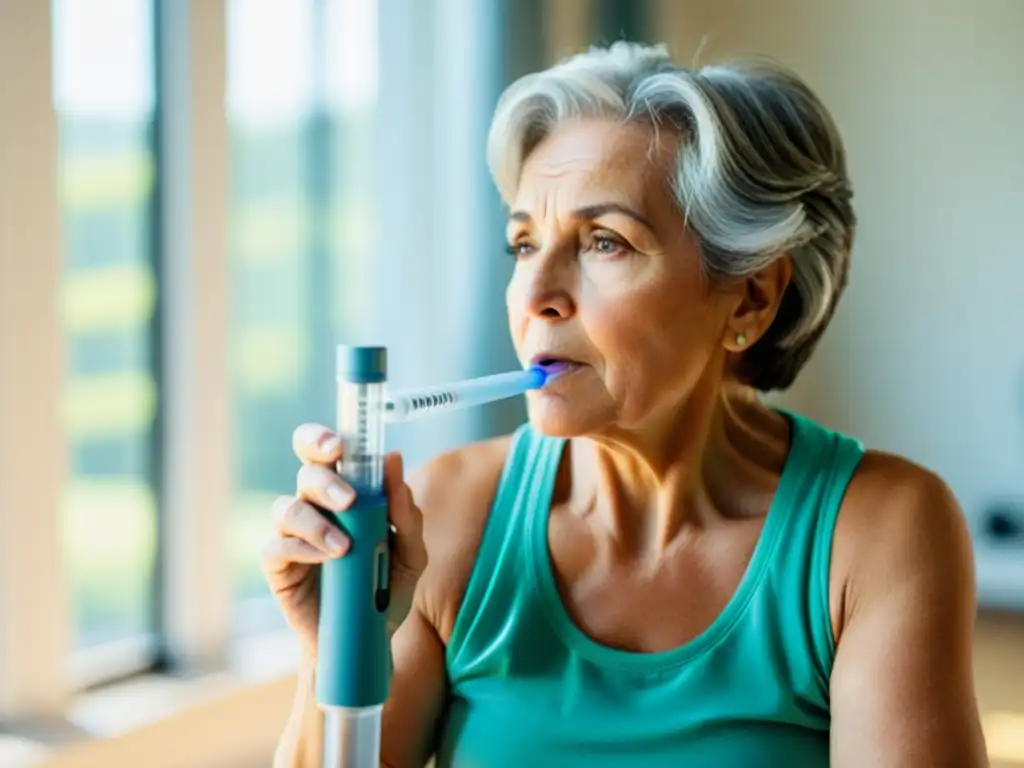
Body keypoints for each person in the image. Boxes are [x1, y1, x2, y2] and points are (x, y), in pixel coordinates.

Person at [264, 42, 988, 767]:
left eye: (604, 241)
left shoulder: (878, 534)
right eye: (523, 243)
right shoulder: (448, 516)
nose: (536, 294)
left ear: (753, 297)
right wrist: (334, 653)